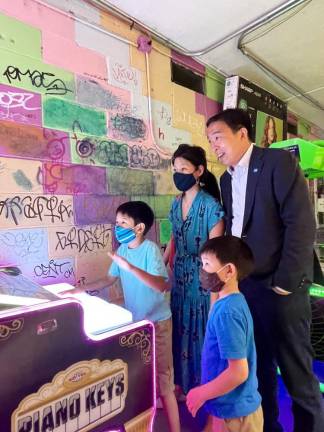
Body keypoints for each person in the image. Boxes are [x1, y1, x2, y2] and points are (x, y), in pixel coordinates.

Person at [206, 108, 324, 432]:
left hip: (282, 289)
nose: (214, 146)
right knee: (259, 372)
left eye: (218, 137)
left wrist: (285, 284)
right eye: (210, 141)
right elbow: (235, 229)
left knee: (297, 374)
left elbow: (301, 226)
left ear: (242, 133)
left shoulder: (278, 163)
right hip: (247, 288)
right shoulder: (225, 180)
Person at [63, 201, 180, 432]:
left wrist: (131, 269)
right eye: (117, 223)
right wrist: (80, 289)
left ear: (139, 227)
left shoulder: (150, 250)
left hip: (158, 324)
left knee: (165, 382)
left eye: (123, 223)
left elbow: (161, 286)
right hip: (136, 325)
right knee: (141, 380)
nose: (117, 227)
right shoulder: (122, 251)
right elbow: (109, 279)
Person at [164, 144, 224, 399]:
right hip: (179, 276)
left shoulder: (211, 207)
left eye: (184, 169)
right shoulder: (175, 204)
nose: (178, 174)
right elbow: (174, 237)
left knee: (201, 331)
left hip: (202, 278)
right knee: (179, 328)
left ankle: (204, 389)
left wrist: (214, 290)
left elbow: (216, 252)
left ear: (199, 171)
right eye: (175, 169)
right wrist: (165, 258)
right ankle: (181, 385)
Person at [186, 236, 263, 432]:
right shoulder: (231, 303)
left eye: (207, 264)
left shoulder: (228, 312)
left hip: (236, 416)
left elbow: (238, 372)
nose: (202, 271)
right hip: (228, 409)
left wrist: (201, 393)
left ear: (229, 270)